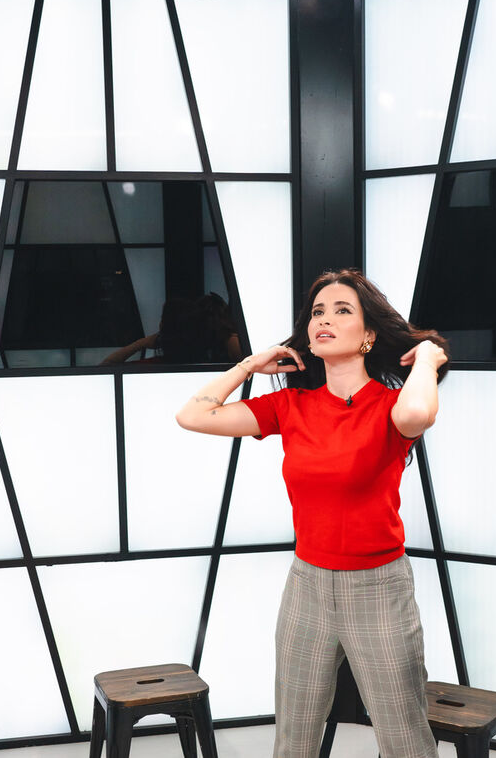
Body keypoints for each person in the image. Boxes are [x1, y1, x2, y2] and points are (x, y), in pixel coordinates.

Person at [176, 268, 448, 758]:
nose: (324, 319)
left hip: (378, 588)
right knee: (294, 739)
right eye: (317, 312)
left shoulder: (391, 406)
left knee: (405, 738)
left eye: (342, 310)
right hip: (307, 585)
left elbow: (417, 415)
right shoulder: (291, 406)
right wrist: (248, 365)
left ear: (368, 335)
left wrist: (426, 357)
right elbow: (193, 416)